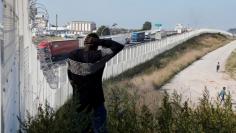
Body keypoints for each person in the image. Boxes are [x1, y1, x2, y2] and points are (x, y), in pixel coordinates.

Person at [67, 33, 124, 132]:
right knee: (99, 129)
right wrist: (99, 41)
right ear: (96, 44)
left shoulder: (72, 55)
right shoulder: (99, 55)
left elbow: (70, 77)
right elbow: (118, 46)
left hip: (79, 103)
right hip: (96, 103)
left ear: (85, 42)